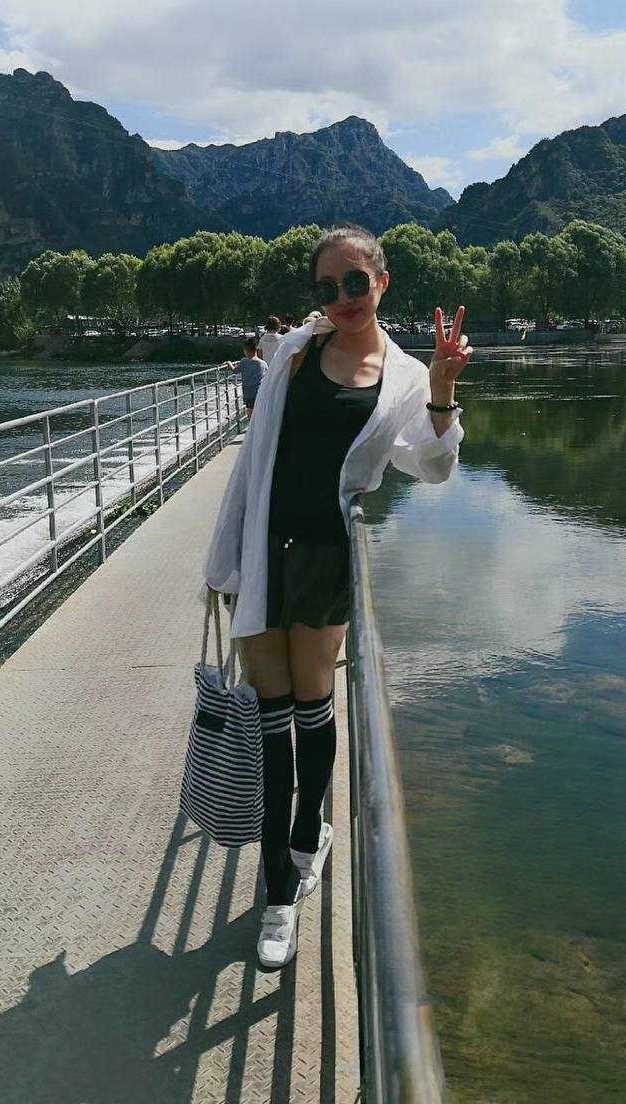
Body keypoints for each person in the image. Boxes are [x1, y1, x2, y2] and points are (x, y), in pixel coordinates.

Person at [203, 223, 470, 969]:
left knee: (312, 708)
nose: (343, 297)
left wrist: (443, 391)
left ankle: (299, 852)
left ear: (382, 281)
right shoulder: (295, 352)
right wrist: (224, 561)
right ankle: (282, 885)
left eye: (356, 281)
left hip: (325, 559)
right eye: (328, 287)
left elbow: (432, 467)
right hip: (262, 551)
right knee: (271, 722)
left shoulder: (405, 375)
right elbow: (255, 460)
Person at [230, 337, 268, 418]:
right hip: (260, 393)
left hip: (248, 393)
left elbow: (235, 370)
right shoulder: (263, 363)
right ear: (256, 349)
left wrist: (229, 363)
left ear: (245, 350)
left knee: (250, 414)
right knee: (259, 414)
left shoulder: (244, 361)